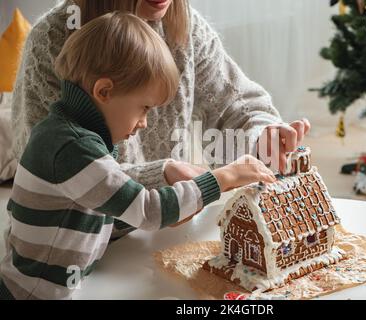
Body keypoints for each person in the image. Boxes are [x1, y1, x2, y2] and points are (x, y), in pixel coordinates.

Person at [0, 12, 276, 300]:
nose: (145, 122)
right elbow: (148, 210)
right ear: (104, 91)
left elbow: (103, 207)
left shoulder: (72, 132)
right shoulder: (72, 148)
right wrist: (222, 178)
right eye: (143, 108)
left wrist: (173, 201)